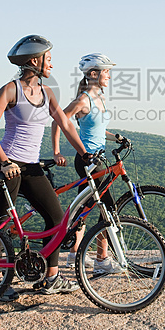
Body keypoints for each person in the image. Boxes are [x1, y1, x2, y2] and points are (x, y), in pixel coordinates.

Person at [0, 35, 91, 300]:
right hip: (7, 164)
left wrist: (85, 154)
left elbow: (65, 124)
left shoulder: (47, 92)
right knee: (0, 224)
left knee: (56, 218)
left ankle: (51, 277)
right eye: (48, 59)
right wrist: (5, 162)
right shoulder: (10, 90)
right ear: (34, 60)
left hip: (31, 167)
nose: (51, 65)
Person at [51, 53, 123, 275]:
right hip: (88, 159)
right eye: (106, 71)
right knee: (107, 208)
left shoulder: (100, 99)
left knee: (84, 207)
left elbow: (98, 130)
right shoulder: (83, 100)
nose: (109, 76)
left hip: (98, 158)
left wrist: (116, 138)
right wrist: (56, 152)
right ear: (94, 74)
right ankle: (102, 261)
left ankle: (74, 256)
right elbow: (58, 120)